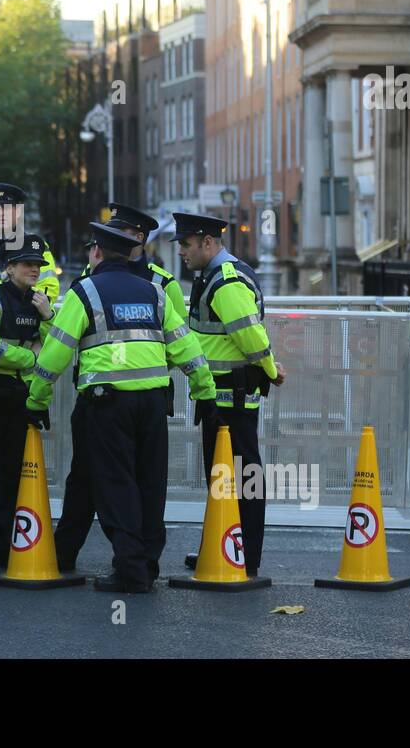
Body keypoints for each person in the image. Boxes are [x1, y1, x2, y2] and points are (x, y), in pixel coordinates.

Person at [26, 222, 216, 592]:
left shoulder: (86, 293)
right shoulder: (152, 292)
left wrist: (37, 398)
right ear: (129, 254)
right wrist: (204, 391)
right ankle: (146, 564)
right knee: (149, 483)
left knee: (116, 485)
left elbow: (56, 352)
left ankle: (130, 572)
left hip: (106, 405)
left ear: (96, 252)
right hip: (152, 402)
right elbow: (185, 345)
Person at [52, 202, 188, 569]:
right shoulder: (93, 279)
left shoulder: (162, 283)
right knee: (86, 476)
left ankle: (139, 561)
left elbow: (177, 339)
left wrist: (37, 393)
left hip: (117, 398)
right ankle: (66, 553)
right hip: (111, 395)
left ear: (137, 239)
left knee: (130, 481)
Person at [174, 212, 284, 577]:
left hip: (231, 400)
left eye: (187, 245)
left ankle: (245, 556)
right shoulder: (211, 277)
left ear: (208, 242)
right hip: (219, 398)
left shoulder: (226, 282)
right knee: (223, 476)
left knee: (243, 475)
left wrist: (271, 370)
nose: (182, 253)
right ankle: (222, 545)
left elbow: (250, 336)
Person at [0, 232, 53, 570]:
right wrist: (28, 356)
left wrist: (47, 319)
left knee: (12, 479)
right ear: (9, 267)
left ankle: (4, 551)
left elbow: (54, 350)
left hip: (21, 399)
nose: (35, 270)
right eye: (28, 264)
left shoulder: (40, 302)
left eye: (38, 264)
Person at [0, 182, 60, 301]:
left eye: (6, 208)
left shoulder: (35, 246)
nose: (1, 214)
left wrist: (20, 308)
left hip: (20, 317)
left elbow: (49, 290)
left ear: (18, 212)